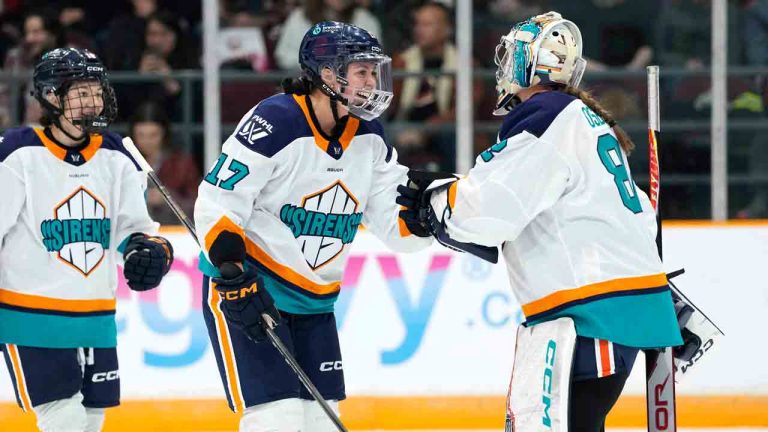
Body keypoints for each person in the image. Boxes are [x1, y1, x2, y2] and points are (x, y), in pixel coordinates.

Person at [396, 12, 684, 431]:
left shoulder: (546, 116)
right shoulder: (579, 119)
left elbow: (491, 207)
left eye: (510, 56)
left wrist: (434, 204)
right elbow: (635, 217)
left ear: (526, 64)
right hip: (616, 314)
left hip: (589, 320)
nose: (503, 68)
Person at [194, 22, 432, 431]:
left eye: (373, 72)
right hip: (253, 290)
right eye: (361, 71)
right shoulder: (276, 120)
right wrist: (232, 274)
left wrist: (428, 216)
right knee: (277, 418)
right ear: (327, 74)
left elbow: (396, 227)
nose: (372, 81)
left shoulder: (370, 136)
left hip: (315, 302)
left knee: (321, 422)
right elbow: (218, 200)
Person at [0, 48, 174, 432]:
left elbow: (133, 229)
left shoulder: (117, 152)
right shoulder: (17, 153)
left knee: (91, 418)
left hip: (95, 313)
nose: (94, 99)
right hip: (29, 314)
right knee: (62, 416)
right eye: (81, 91)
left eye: (96, 89)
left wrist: (149, 249)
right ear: (51, 96)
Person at [129, 101, 200, 225]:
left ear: (164, 134)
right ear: (133, 135)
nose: (147, 141)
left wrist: (167, 199)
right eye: (141, 135)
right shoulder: (124, 163)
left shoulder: (182, 164)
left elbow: (198, 205)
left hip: (176, 234)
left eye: (153, 135)